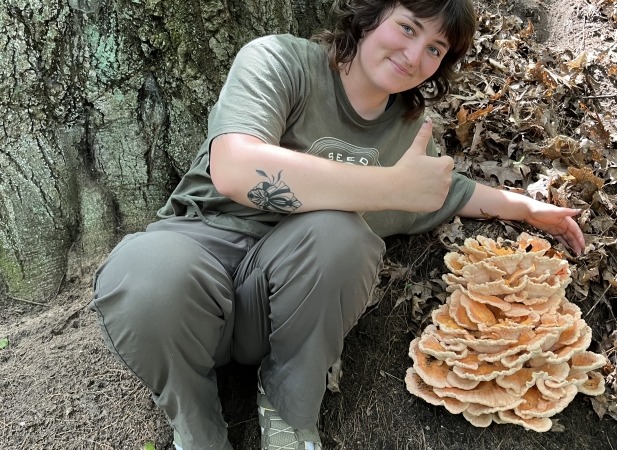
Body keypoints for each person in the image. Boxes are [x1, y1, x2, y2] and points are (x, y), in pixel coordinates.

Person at [90, 0, 586, 449]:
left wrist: (526, 208)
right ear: (370, 16)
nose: (415, 55)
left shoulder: (409, 133)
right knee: (143, 270)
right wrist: (390, 188)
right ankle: (197, 429)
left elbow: (446, 191)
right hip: (195, 277)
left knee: (342, 237)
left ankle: (289, 411)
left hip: (286, 307)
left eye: (435, 47)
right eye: (408, 27)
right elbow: (237, 168)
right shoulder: (282, 61)